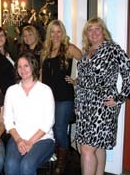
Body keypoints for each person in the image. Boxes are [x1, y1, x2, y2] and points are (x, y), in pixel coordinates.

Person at [75, 17, 130, 175]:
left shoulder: (113, 49)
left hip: (104, 105)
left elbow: (128, 72)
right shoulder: (86, 52)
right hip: (85, 106)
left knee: (86, 149)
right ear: (86, 34)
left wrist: (121, 97)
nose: (93, 32)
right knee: (97, 146)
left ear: (103, 31)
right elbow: (81, 81)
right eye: (90, 29)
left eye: (97, 29)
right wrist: (78, 104)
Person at [41, 19, 82, 175]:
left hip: (64, 97)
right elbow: (41, 75)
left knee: (59, 129)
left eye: (59, 31)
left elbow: (88, 63)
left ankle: (62, 160)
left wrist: (77, 80)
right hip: (48, 97)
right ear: (49, 33)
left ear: (63, 33)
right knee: (49, 128)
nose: (56, 35)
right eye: (53, 31)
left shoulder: (69, 49)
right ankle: (53, 155)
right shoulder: (45, 50)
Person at [4, 51, 55, 175]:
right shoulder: (11, 91)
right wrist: (19, 140)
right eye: (19, 66)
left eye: (26, 65)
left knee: (26, 165)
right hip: (18, 138)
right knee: (11, 165)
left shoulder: (45, 90)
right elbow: (8, 121)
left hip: (42, 139)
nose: (23, 69)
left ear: (33, 66)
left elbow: (48, 122)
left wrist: (30, 142)